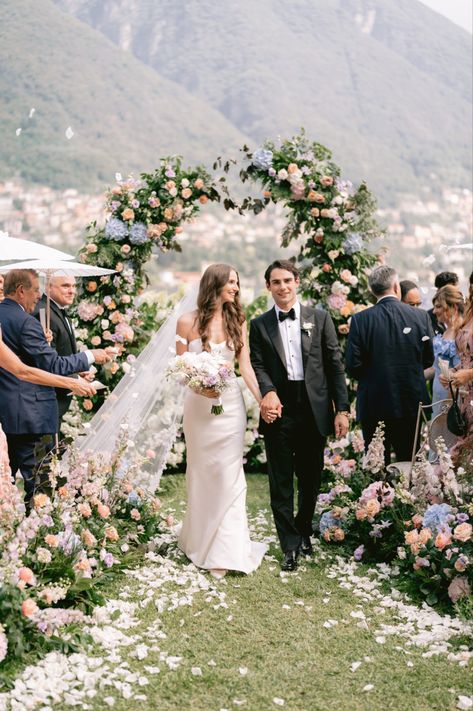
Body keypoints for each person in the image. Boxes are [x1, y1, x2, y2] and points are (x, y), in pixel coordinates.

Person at [250, 260, 349, 572]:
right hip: (278, 408)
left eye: (287, 281)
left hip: (313, 409)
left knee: (310, 477)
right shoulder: (259, 325)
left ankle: (304, 528)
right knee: (280, 481)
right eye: (276, 282)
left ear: (297, 283)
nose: (283, 287)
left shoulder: (319, 319)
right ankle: (289, 545)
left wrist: (342, 409)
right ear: (268, 287)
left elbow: (334, 365)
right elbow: (258, 364)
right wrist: (267, 391)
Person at [175, 263, 267, 579]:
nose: (236, 288)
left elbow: (246, 367)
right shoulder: (185, 322)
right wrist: (200, 387)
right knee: (201, 471)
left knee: (229, 473)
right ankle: (198, 539)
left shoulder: (237, 321)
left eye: (237, 283)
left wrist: (262, 398)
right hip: (198, 410)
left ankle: (226, 549)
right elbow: (177, 370)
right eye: (231, 282)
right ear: (215, 284)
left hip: (229, 409)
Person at [0, 269, 111, 505]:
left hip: (6, 413)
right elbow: (48, 365)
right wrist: (88, 356)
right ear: (20, 291)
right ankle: (39, 535)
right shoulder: (26, 322)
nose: (37, 297)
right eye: (35, 291)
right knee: (40, 484)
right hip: (32, 416)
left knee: (4, 483)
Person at [346, 265, 434, 466]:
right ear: (396, 286)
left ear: (372, 290)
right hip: (411, 400)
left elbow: (352, 365)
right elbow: (428, 359)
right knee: (409, 464)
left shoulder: (360, 320)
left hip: (374, 401)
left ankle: (376, 497)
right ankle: (408, 498)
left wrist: (374, 376)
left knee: (377, 465)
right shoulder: (420, 317)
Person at [34, 275, 81, 432]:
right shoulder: (43, 313)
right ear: (48, 287)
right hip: (46, 400)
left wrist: (78, 372)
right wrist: (76, 379)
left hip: (58, 399)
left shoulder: (57, 310)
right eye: (65, 286)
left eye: (74, 286)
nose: (72, 291)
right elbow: (46, 363)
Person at [441, 271, 473, 468]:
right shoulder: (469, 314)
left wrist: (468, 374)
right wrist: (452, 373)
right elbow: (465, 356)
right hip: (464, 397)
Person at [424, 285, 463, 419]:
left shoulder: (462, 333)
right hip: (438, 397)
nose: (434, 311)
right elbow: (436, 368)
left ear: (453, 307)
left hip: (453, 398)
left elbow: (464, 368)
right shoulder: (446, 332)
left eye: (439, 306)